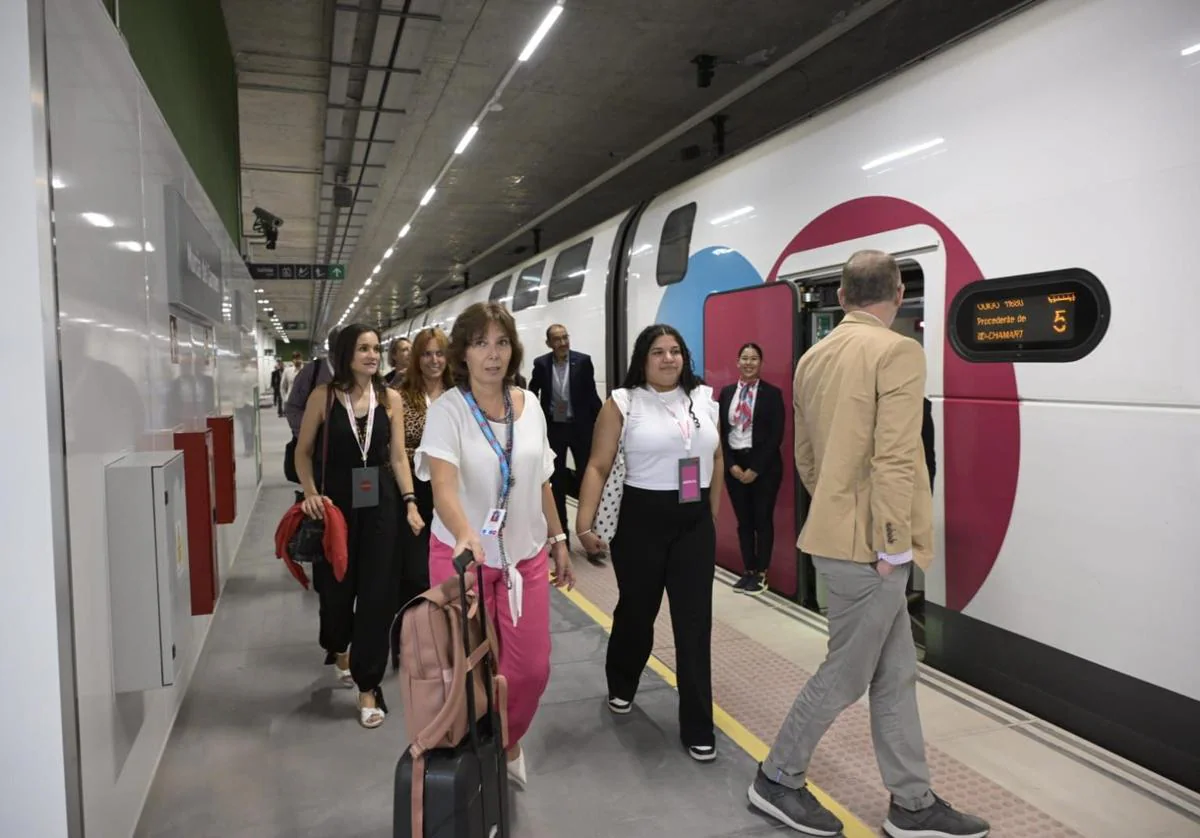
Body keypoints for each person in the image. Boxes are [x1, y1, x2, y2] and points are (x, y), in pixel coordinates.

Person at [747, 251, 989, 838]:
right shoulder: (899, 352)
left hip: (839, 535)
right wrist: (891, 543)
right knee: (848, 674)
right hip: (874, 549)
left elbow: (807, 458)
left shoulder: (813, 358)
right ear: (899, 291)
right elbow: (895, 458)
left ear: (844, 294)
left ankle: (912, 802)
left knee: (895, 672)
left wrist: (835, 504)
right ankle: (777, 778)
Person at [414, 302, 576, 789]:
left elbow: (542, 480)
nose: (492, 354)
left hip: (522, 560)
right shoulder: (449, 411)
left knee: (530, 669)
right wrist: (464, 531)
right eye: (481, 343)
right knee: (464, 674)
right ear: (463, 352)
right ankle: (474, 748)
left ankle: (508, 738)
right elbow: (442, 486)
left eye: (501, 342)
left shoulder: (530, 407)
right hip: (461, 560)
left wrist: (559, 538)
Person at [575, 324, 723, 763]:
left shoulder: (705, 398)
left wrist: (710, 518)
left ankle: (698, 724)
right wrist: (584, 525)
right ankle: (622, 682)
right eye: (658, 352)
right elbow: (598, 466)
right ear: (643, 359)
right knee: (638, 613)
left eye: (675, 351)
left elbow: (715, 457)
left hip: (693, 524)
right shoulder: (623, 403)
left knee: (695, 625)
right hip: (640, 521)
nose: (668, 359)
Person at [295, 324, 403, 729]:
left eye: (376, 348)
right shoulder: (323, 398)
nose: (373, 355)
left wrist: (409, 502)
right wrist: (309, 492)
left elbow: (397, 459)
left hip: (381, 507)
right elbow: (303, 454)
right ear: (345, 354)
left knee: (377, 597)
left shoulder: (390, 398)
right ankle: (337, 645)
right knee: (336, 595)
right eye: (363, 348)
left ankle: (369, 686)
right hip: (334, 509)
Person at [528, 324, 603, 559]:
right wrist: (536, 425)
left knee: (588, 482)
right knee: (556, 485)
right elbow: (533, 394)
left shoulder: (582, 362)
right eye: (557, 339)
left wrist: (602, 425)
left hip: (580, 429)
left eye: (565, 338)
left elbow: (591, 395)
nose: (562, 343)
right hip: (555, 431)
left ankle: (592, 540)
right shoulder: (541, 364)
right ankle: (562, 540)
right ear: (549, 343)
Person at [391, 327, 452, 610]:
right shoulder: (401, 396)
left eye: (440, 353)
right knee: (415, 568)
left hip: (453, 488)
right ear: (417, 358)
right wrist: (409, 500)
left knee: (452, 561)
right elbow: (398, 449)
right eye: (427, 354)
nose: (434, 360)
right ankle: (414, 631)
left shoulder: (460, 394)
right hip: (415, 487)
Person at [717, 342, 785, 595]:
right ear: (737, 362)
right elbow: (721, 433)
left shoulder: (771, 394)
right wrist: (731, 464)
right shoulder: (725, 394)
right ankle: (748, 570)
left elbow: (775, 435)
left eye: (754, 359)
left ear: (761, 363)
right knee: (743, 521)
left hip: (764, 468)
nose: (748, 363)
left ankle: (761, 573)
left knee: (762, 519)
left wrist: (755, 468)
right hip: (735, 465)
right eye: (744, 358)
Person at [285, 327, 342, 436]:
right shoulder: (311, 372)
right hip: (317, 445)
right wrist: (312, 431)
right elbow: (293, 409)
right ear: (332, 349)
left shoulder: (357, 372)